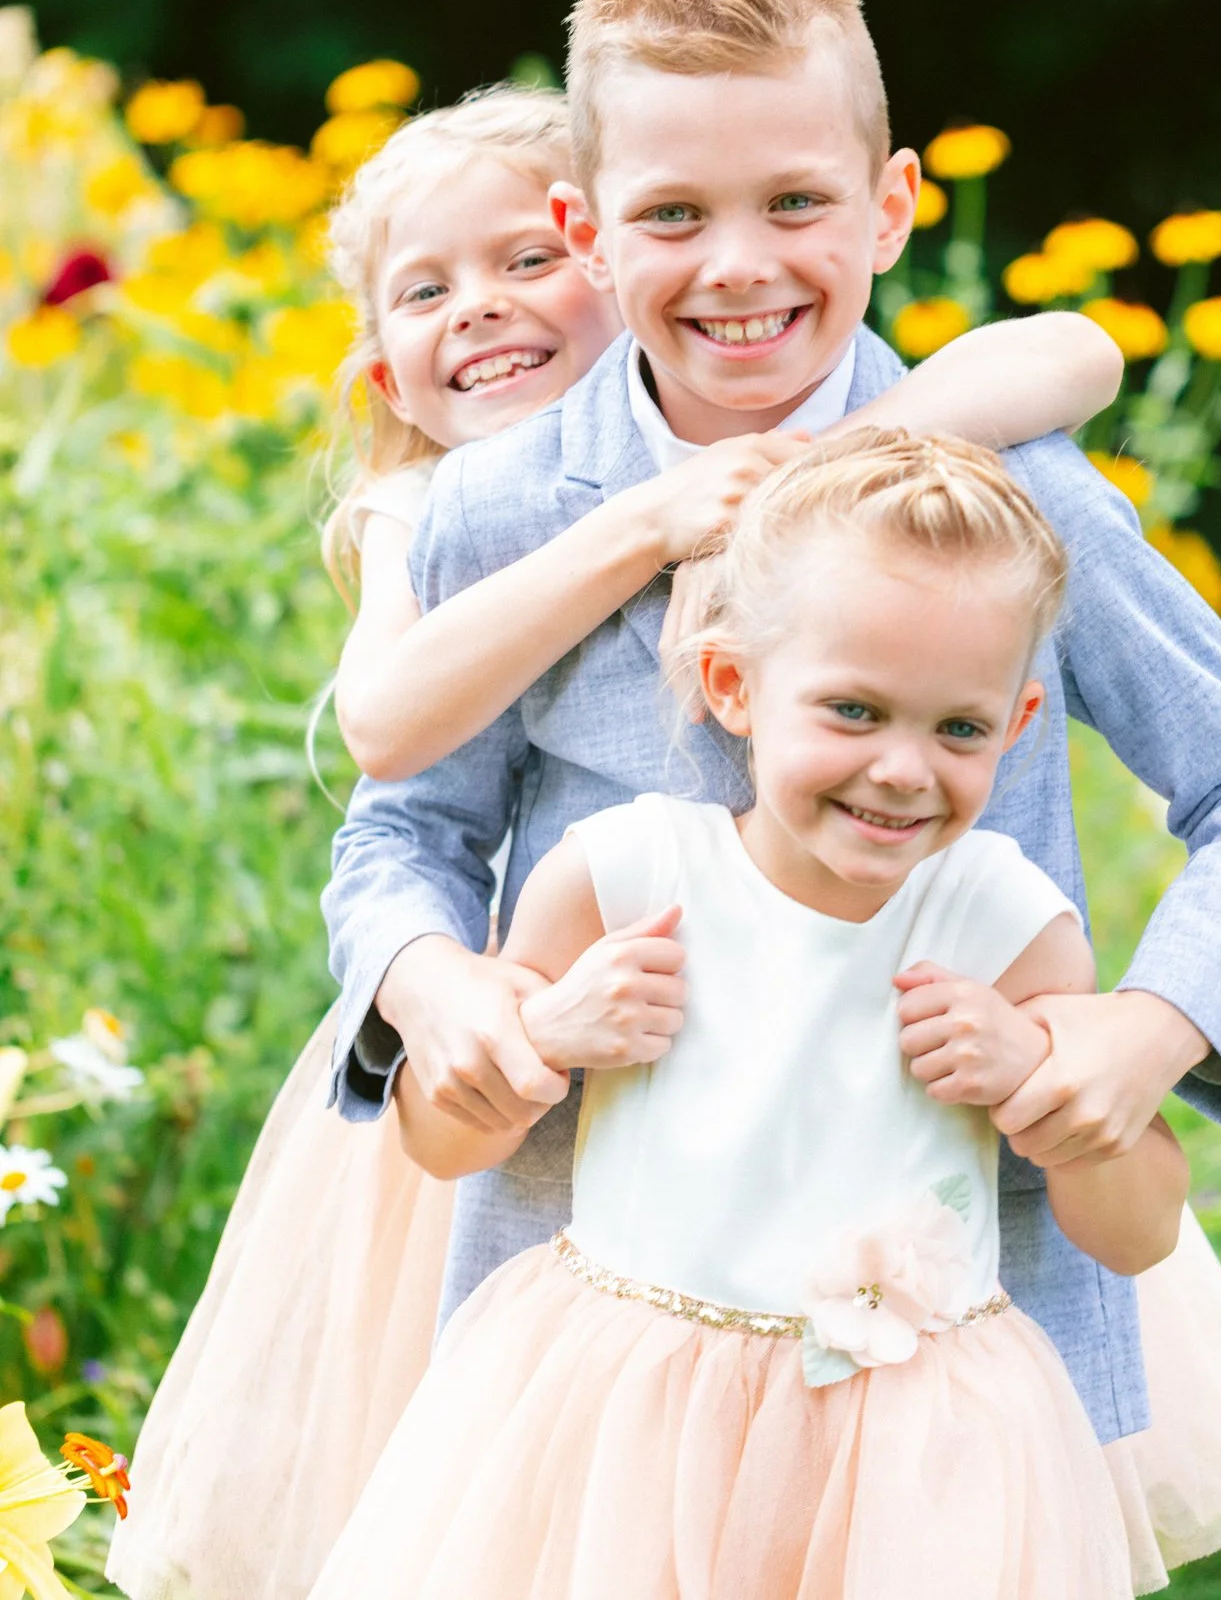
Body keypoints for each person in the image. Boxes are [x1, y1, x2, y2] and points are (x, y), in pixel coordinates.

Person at [324, 0, 1221, 1478]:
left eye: (795, 202)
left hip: (943, 1306)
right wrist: (435, 987)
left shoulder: (1012, 504)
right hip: (598, 1290)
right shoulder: (507, 512)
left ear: (887, 209)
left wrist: (1145, 1031)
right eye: (671, 212)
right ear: (587, 230)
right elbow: (404, 832)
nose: (737, 265)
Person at [107, 87, 1130, 1600]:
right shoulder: (445, 509)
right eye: (427, 290)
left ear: (597, 249)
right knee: (521, 1500)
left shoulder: (839, 472)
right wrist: (644, 527)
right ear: (380, 361)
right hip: (541, 1061)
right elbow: (391, 757)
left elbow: (1079, 351)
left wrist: (826, 453)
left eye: (523, 259)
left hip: (864, 1100)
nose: (484, 311)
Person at [310, 432, 1221, 1600]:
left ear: (1019, 720)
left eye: (958, 729)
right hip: (628, 1415)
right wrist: (548, 1033)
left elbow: (1134, 1232)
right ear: (734, 685)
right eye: (852, 710)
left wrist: (1033, 1071)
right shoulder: (620, 878)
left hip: (909, 1455)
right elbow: (444, 1138)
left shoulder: (1005, 925)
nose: (899, 769)